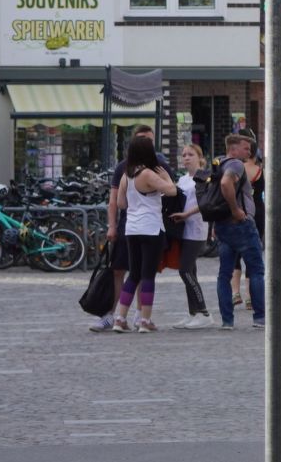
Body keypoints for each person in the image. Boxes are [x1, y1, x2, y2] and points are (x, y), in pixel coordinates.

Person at [107, 134, 177, 333]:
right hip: (151, 228)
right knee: (148, 275)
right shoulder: (147, 174)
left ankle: (120, 318)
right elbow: (171, 190)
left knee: (134, 274)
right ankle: (144, 320)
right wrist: (165, 177)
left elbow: (121, 203)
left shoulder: (126, 176)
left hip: (132, 228)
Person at [215, 131, 267, 329]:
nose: (250, 151)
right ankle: (260, 317)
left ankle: (227, 320)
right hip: (241, 225)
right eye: (246, 147)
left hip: (222, 225)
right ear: (234, 148)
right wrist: (236, 209)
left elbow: (215, 195)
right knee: (256, 270)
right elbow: (225, 183)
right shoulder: (236, 164)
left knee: (224, 274)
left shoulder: (218, 162)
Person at [169, 143, 214, 328]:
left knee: (185, 270)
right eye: (184, 154)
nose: (186, 157)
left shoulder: (204, 177)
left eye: (191, 154)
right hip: (183, 230)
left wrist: (187, 214)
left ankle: (204, 313)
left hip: (197, 229)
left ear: (199, 158)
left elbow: (206, 203)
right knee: (191, 270)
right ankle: (193, 312)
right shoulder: (182, 180)